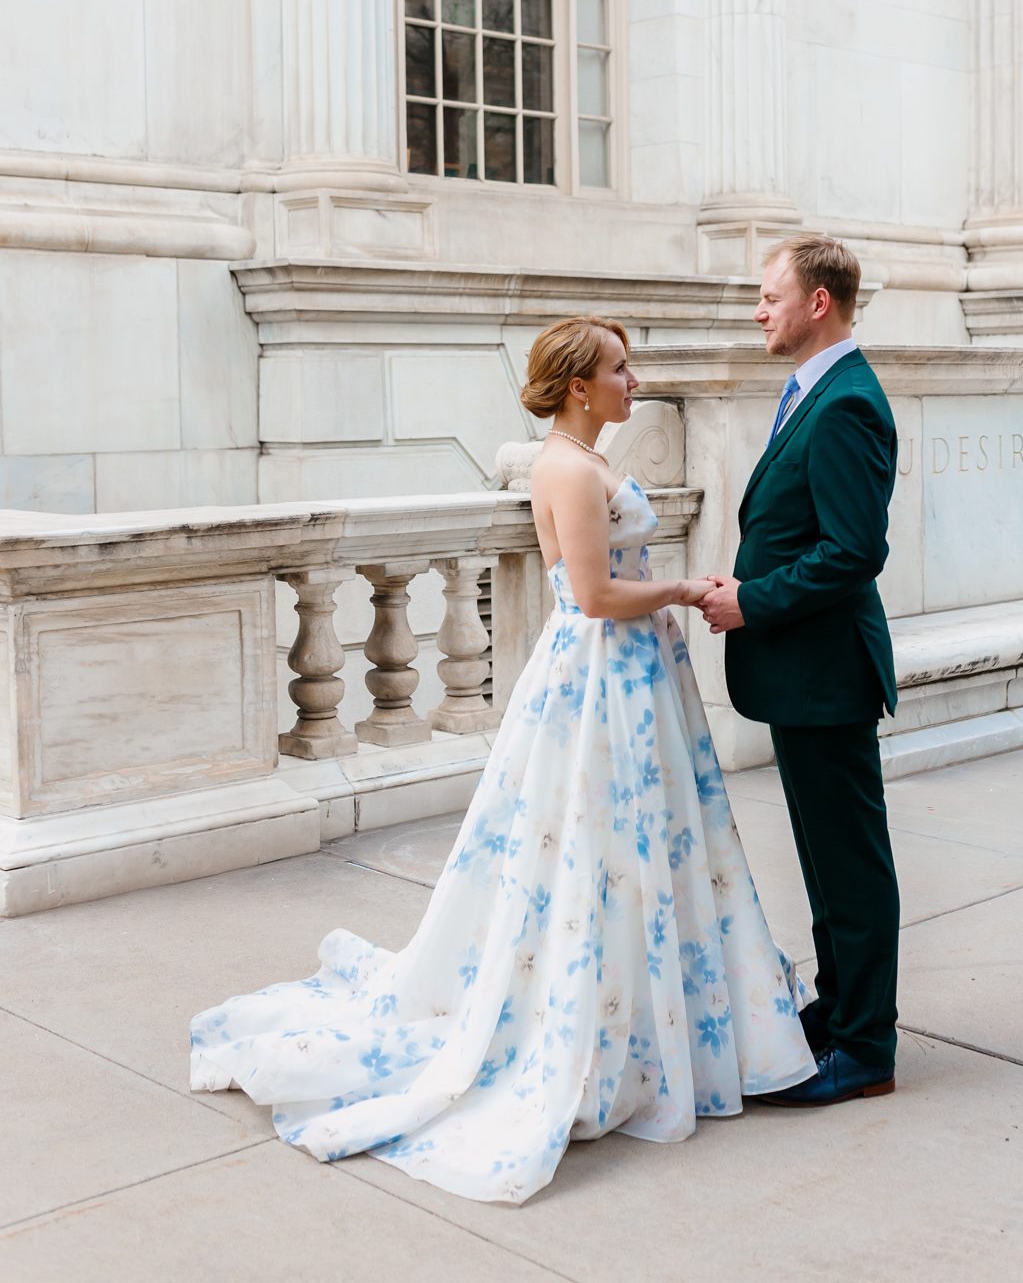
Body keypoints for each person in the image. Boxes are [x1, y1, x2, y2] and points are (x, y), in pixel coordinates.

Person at [189, 315, 814, 1204]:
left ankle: (651, 1019)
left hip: (636, 674)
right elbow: (592, 595)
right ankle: (597, 1031)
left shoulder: (586, 459)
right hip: (601, 675)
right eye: (619, 369)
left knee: (648, 847)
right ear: (577, 387)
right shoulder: (563, 466)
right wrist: (679, 586)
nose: (632, 382)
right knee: (594, 850)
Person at [701, 234, 900, 1107]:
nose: (759, 309)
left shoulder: (848, 402)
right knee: (825, 862)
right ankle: (839, 1008)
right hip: (802, 671)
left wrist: (753, 600)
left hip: (826, 671)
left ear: (818, 302)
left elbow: (853, 553)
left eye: (769, 295)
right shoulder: (811, 392)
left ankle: (864, 1050)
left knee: (850, 866)